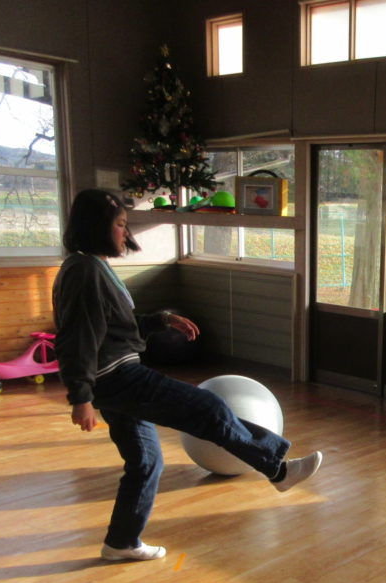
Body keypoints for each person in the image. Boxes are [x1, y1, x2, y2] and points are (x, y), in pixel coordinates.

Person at [53, 189, 321, 562]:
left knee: (146, 462)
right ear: (96, 226)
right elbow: (78, 337)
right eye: (120, 225)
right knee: (209, 408)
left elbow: (117, 325)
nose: (125, 233)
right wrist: (80, 396)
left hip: (114, 378)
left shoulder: (93, 267)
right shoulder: (83, 271)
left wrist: (161, 320)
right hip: (117, 377)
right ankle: (277, 470)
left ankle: (121, 542)